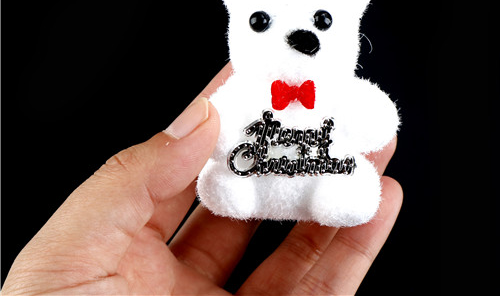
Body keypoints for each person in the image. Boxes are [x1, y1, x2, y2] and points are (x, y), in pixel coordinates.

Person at [2, 64, 402, 295]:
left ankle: (335, 192)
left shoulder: (337, 92)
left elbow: (376, 124)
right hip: (245, 179)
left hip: (324, 176)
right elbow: (221, 126)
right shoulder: (245, 90)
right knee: (223, 179)